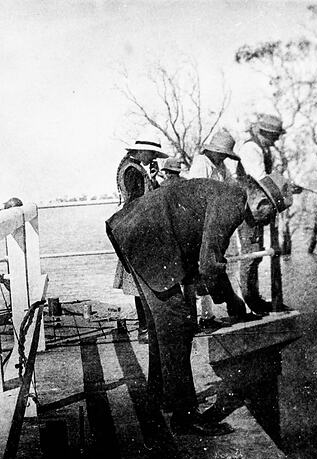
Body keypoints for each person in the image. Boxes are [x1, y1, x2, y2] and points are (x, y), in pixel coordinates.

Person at [106, 172, 294, 436]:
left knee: (165, 329)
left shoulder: (225, 195)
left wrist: (231, 301)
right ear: (262, 202)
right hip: (146, 239)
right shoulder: (233, 203)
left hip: (133, 232)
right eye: (270, 216)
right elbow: (209, 264)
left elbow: (202, 258)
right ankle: (184, 418)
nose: (265, 223)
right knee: (178, 326)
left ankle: (160, 398)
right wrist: (232, 301)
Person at [187, 129, 255, 329]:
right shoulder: (201, 164)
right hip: (199, 223)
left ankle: (220, 311)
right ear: (214, 151)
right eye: (222, 153)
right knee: (202, 268)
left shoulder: (221, 167)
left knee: (217, 264)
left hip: (216, 225)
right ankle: (206, 315)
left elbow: (232, 189)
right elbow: (196, 194)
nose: (224, 157)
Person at [113, 135, 169, 343]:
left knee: (140, 283)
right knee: (142, 282)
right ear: (143, 151)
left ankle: (146, 327)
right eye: (152, 153)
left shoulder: (131, 168)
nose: (153, 157)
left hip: (134, 228)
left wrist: (152, 178)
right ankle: (146, 329)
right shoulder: (133, 171)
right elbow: (140, 202)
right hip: (138, 231)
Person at [235, 114, 286, 315]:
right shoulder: (250, 149)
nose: (275, 141)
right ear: (264, 133)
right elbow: (260, 178)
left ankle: (254, 298)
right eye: (273, 136)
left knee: (257, 253)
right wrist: (282, 187)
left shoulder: (264, 149)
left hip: (259, 209)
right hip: (247, 209)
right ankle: (249, 302)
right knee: (250, 253)